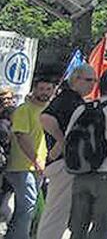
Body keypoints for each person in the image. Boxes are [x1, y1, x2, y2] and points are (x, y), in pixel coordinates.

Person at [66, 68, 107, 239]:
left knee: (78, 227)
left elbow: (68, 138)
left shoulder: (83, 108)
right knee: (103, 227)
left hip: (81, 172)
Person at [36, 63, 97, 239]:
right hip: (64, 164)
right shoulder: (68, 98)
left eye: (95, 81)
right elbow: (45, 118)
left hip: (66, 163)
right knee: (56, 213)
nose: (93, 84)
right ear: (76, 79)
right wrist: (63, 142)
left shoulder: (71, 99)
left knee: (59, 213)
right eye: (89, 80)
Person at [5, 76, 54, 239]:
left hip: (39, 167)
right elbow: (21, 136)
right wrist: (36, 160)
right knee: (27, 206)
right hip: (21, 166)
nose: (45, 93)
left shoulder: (49, 111)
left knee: (28, 208)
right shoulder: (24, 110)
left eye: (48, 89)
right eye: (41, 89)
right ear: (34, 89)